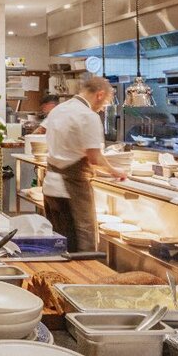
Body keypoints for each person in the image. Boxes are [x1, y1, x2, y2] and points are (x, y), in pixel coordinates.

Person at [42, 77, 126, 252]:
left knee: (58, 241)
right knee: (80, 241)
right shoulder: (88, 116)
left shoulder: (59, 110)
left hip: (50, 186)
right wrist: (114, 170)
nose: (103, 108)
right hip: (72, 189)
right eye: (105, 103)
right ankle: (79, 278)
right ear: (100, 95)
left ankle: (58, 277)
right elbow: (94, 157)